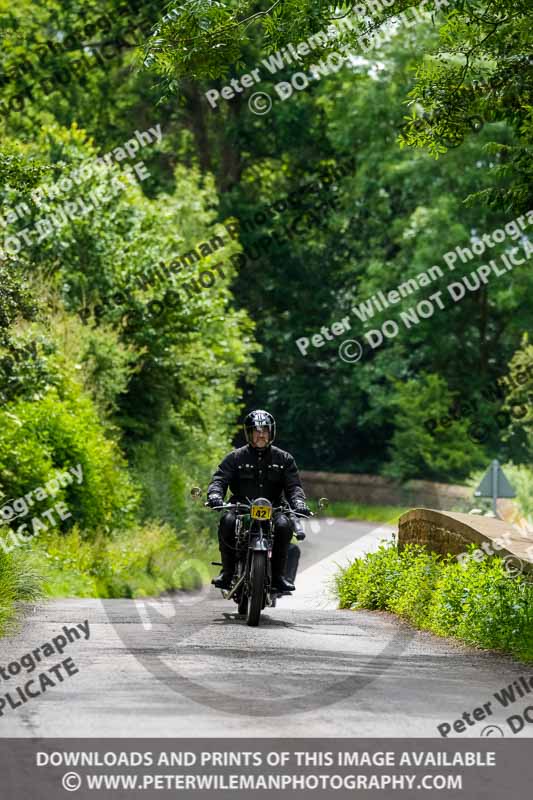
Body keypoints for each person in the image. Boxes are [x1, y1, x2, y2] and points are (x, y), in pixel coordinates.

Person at [207, 409, 310, 592]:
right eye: (256, 431)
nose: (261, 435)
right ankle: (228, 572)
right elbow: (219, 480)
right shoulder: (236, 457)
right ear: (249, 433)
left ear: (271, 432)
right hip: (241, 507)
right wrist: (215, 495)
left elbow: (294, 487)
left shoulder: (284, 459)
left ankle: (278, 576)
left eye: (265, 430)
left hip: (274, 508)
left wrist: (299, 503)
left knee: (284, 526)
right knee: (227, 521)